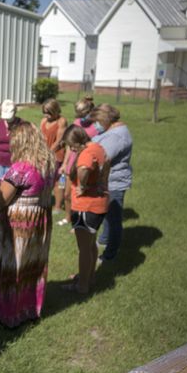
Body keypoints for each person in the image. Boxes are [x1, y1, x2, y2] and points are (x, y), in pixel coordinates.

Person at [0, 122, 55, 327]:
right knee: (33, 265)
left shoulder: (20, 169)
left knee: (15, 268)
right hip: (41, 220)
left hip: (20, 224)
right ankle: (30, 309)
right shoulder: (48, 163)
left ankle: (10, 314)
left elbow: (1, 199)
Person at [63, 125, 109, 294]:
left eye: (71, 144)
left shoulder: (86, 154)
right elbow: (108, 161)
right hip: (99, 204)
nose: (71, 148)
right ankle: (90, 277)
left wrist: (82, 185)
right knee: (91, 244)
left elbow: (83, 169)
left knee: (84, 249)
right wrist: (102, 182)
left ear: (77, 140)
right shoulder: (97, 147)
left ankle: (82, 286)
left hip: (86, 206)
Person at [91, 103, 132, 264]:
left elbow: (103, 158)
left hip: (112, 182)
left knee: (114, 219)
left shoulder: (116, 136)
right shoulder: (114, 131)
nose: (96, 125)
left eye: (98, 121)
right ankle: (103, 239)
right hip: (110, 180)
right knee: (109, 215)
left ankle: (110, 254)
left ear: (105, 119)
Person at [60, 98, 98, 227]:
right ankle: (68, 217)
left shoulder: (95, 128)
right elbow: (69, 146)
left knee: (80, 196)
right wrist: (65, 164)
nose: (80, 117)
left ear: (89, 112)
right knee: (67, 194)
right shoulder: (76, 123)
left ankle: (80, 223)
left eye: (82, 114)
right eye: (78, 115)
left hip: (84, 164)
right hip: (72, 163)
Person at [40, 98, 68, 215]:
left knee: (58, 181)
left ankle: (57, 206)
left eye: (49, 112)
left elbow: (59, 141)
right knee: (45, 180)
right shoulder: (44, 120)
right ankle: (44, 202)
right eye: (45, 112)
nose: (46, 115)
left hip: (57, 156)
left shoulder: (62, 121)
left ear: (56, 110)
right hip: (44, 154)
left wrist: (47, 153)